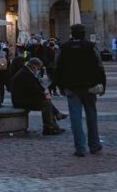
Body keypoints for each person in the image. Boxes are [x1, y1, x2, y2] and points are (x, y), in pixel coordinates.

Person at [54, 24, 106, 157]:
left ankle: (80, 148)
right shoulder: (91, 47)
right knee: (92, 116)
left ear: (72, 34)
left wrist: (59, 85)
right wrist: (102, 84)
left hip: (71, 87)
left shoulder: (64, 48)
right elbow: (100, 66)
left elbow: (57, 67)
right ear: (84, 33)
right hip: (90, 86)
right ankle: (94, 145)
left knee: (75, 118)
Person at [11, 57, 65, 136]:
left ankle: (53, 126)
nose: (38, 70)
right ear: (34, 66)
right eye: (38, 68)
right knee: (46, 103)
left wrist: (45, 94)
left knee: (46, 101)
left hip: (25, 98)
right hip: (21, 101)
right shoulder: (25, 74)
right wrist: (45, 96)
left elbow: (36, 87)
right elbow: (34, 89)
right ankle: (49, 127)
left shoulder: (26, 71)